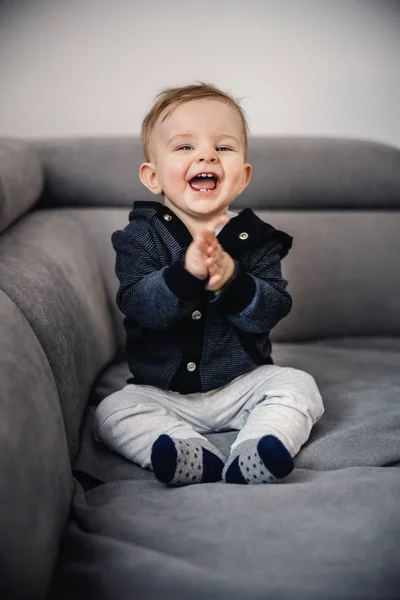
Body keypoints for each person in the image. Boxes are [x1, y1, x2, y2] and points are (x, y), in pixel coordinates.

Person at [94, 82, 324, 486]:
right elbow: (140, 306)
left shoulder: (256, 238)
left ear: (243, 177)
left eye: (223, 147)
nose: (206, 155)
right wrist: (186, 275)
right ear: (152, 176)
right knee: (111, 411)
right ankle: (187, 452)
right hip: (161, 393)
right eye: (185, 147)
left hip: (241, 384)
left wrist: (233, 280)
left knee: (298, 385)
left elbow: (271, 310)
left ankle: (257, 447)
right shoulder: (139, 237)